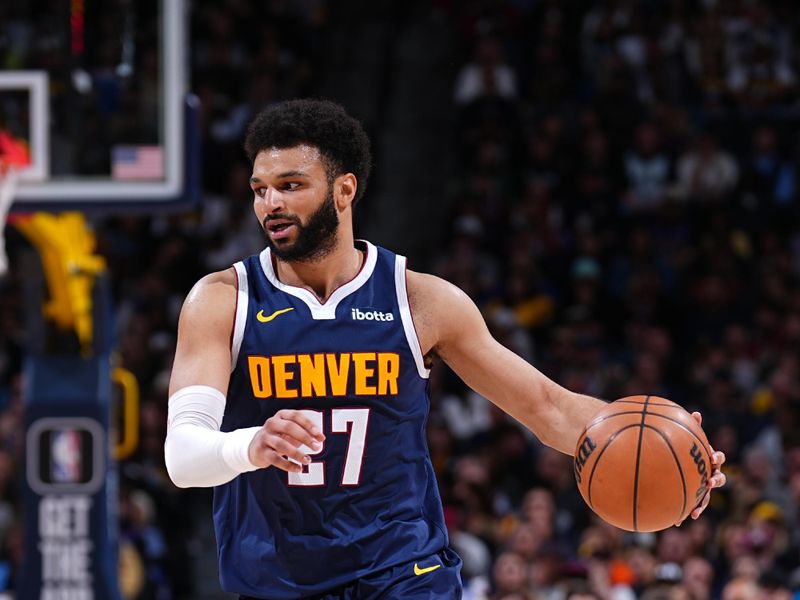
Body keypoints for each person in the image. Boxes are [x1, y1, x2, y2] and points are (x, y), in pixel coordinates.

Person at [163, 99, 726, 599]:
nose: (270, 204)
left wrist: (662, 447)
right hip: (277, 578)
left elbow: (547, 407)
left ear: (344, 189)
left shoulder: (420, 301)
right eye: (260, 189)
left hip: (402, 570)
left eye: (290, 185)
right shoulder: (221, 301)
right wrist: (251, 445)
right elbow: (184, 457)